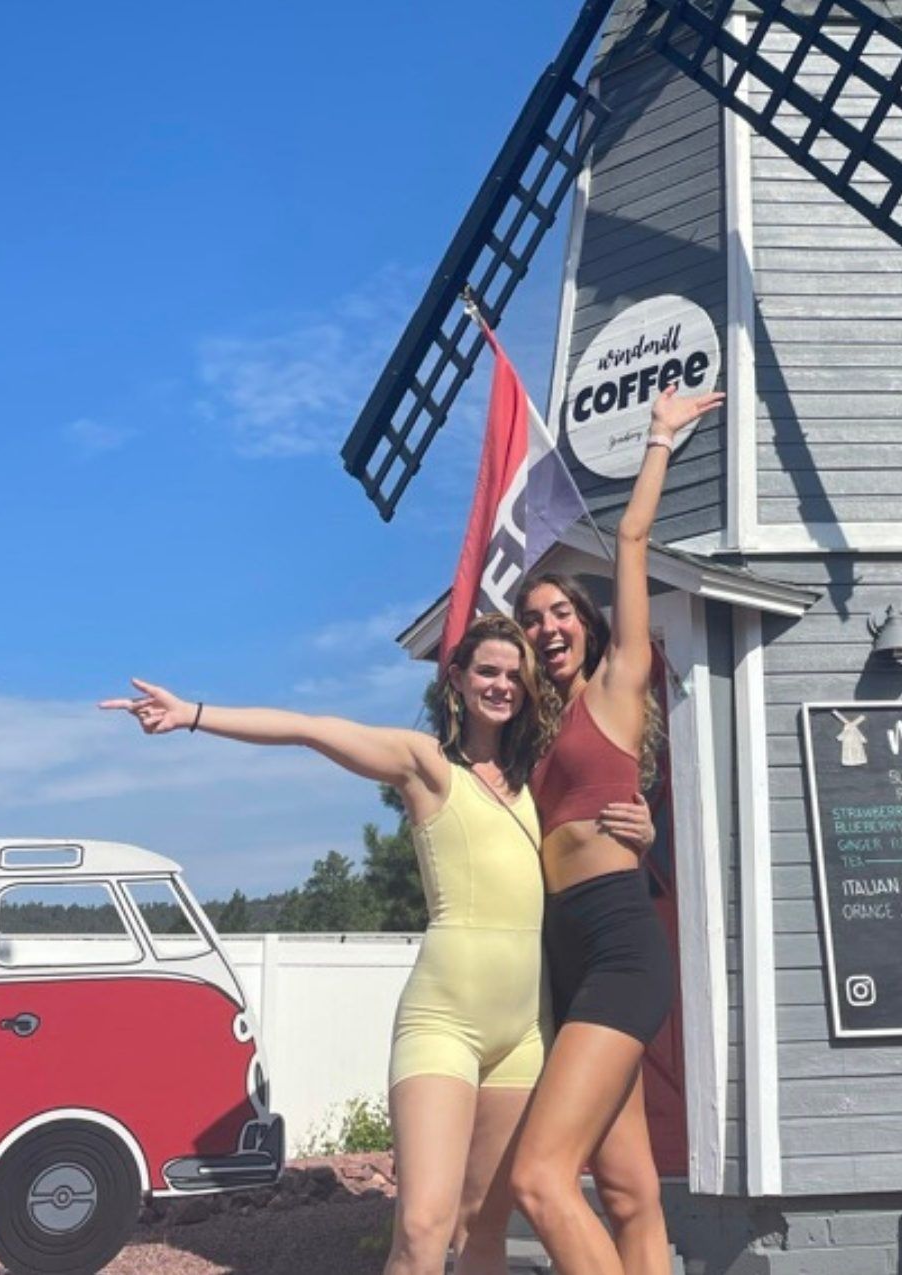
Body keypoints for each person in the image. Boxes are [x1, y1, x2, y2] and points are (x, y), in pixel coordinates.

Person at [100, 614, 650, 1275]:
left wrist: (642, 827)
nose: (501, 685)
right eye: (487, 671)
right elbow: (315, 730)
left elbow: (597, 818)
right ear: (457, 679)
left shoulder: (536, 780)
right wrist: (193, 713)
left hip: (526, 1031)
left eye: (513, 675)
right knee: (422, 1229)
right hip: (444, 1020)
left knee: (484, 1231)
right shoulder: (427, 767)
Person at [508, 382, 724, 1275]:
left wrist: (659, 438)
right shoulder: (533, 732)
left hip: (620, 940)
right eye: (532, 618)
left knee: (539, 1177)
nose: (548, 624)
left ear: (588, 627)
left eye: (561, 612)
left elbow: (630, 538)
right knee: (628, 1190)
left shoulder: (618, 685)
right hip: (565, 950)